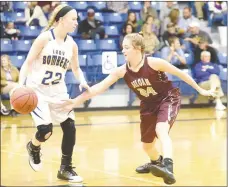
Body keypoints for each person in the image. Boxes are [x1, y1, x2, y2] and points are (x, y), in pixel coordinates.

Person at [57, 33, 216, 185]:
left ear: (138, 48)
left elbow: (181, 73)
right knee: (147, 146)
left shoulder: (154, 62)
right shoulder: (122, 70)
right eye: (123, 47)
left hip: (167, 98)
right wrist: (74, 102)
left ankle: (168, 166)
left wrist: (200, 90)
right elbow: (98, 88)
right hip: (148, 105)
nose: (123, 50)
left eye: (126, 47)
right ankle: (156, 163)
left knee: (161, 130)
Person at [13, 4, 90, 183]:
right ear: (61, 20)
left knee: (70, 127)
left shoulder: (72, 44)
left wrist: (83, 81)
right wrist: (19, 85)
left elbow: (76, 68)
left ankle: (65, 168)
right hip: (37, 91)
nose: (76, 22)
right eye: (73, 19)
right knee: (46, 130)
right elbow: (27, 63)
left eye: (77, 19)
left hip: (58, 91)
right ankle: (33, 146)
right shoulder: (44, 38)